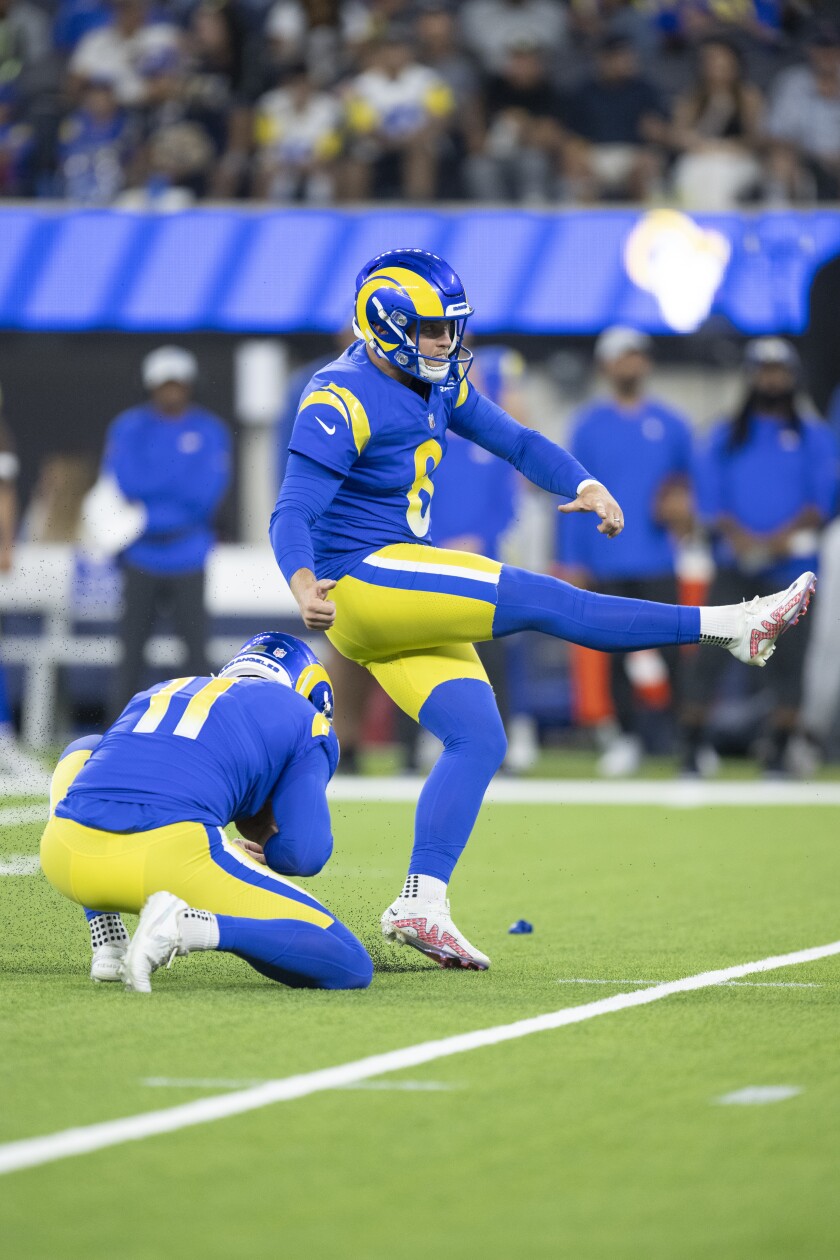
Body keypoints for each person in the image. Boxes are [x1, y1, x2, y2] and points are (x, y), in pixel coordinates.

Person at [270, 247, 815, 972]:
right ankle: (736, 625)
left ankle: (421, 901)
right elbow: (293, 509)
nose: (448, 343)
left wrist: (583, 482)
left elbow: (517, 441)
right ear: (388, 325)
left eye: (452, 328)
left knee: (478, 739)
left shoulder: (437, 380)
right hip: (359, 581)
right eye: (433, 329)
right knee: (544, 598)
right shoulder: (337, 396)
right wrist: (303, 581)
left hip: (397, 585)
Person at [40, 631, 373, 993]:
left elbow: (97, 755)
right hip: (165, 859)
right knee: (349, 962)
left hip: (64, 857)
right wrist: (266, 843)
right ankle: (187, 927)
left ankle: (105, 930)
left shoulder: (162, 689)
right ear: (310, 695)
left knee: (84, 750)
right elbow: (304, 854)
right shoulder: (306, 719)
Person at [682, 337, 837, 776]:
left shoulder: (814, 438)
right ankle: (692, 747)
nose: (771, 379)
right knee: (708, 654)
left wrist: (772, 542)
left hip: (791, 571)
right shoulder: (724, 436)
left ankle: (781, 749)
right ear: (751, 376)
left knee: (790, 662)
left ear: (792, 376)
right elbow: (710, 502)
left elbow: (820, 503)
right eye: (763, 370)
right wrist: (744, 540)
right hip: (735, 565)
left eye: (779, 370)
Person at [558, 326, 694, 776]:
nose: (628, 364)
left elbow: (691, 488)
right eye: (620, 357)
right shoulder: (588, 426)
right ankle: (626, 737)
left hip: (657, 554)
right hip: (606, 557)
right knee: (615, 653)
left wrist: (683, 510)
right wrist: (573, 559)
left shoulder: (673, 425)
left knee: (673, 649)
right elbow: (571, 493)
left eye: (635, 356)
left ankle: (684, 739)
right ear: (605, 366)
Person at [100, 345, 231, 720]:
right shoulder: (129, 427)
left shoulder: (210, 430)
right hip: (140, 555)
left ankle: (202, 728)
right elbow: (126, 481)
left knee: (195, 651)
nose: (171, 392)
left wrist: (152, 508)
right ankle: (116, 732)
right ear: (151, 386)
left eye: (178, 384)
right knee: (131, 652)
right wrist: (170, 500)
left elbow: (204, 495)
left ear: (189, 386)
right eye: (163, 384)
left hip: (188, 554)